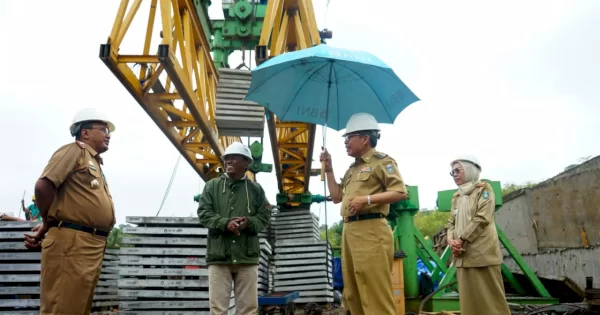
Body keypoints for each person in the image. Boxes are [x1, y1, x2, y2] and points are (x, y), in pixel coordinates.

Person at [24, 108, 116, 315]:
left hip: (90, 243)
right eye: (103, 129)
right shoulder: (73, 151)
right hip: (73, 243)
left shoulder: (93, 161)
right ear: (85, 132)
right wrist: (47, 223)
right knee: (62, 308)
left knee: (77, 308)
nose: (108, 134)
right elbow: (43, 186)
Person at [320, 112, 408, 315]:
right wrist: (330, 169)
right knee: (353, 292)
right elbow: (335, 197)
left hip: (371, 230)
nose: (345, 142)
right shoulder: (352, 169)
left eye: (349, 137)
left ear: (365, 138)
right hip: (350, 231)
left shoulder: (382, 162)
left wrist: (366, 200)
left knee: (374, 291)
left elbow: (400, 192)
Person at [197, 142, 271, 315]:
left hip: (246, 258)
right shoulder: (212, 186)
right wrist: (225, 223)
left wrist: (248, 222)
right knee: (218, 310)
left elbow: (264, 216)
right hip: (219, 257)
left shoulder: (256, 190)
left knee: (248, 310)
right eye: (226, 158)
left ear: (246, 163)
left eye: (233, 157)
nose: (228, 161)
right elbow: (204, 213)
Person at [446, 155, 511, 315]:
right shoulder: (456, 197)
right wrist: (450, 241)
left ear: (470, 170)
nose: (454, 175)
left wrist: (461, 240)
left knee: (492, 302)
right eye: (452, 172)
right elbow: (450, 223)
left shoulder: (484, 190)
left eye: (457, 171)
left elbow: (482, 218)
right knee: (470, 304)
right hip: (462, 257)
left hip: (482, 255)